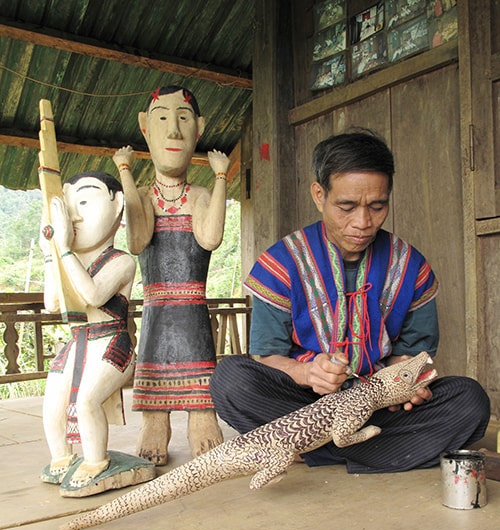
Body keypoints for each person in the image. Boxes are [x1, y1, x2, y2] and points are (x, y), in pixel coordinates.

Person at [210, 130, 490, 473]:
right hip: (305, 409)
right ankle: (378, 452)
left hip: (379, 410)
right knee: (230, 379)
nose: (362, 222)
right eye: (346, 206)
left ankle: (312, 452)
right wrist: (308, 373)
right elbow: (268, 357)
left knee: (470, 401)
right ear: (319, 194)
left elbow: (412, 357)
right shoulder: (282, 263)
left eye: (377, 206)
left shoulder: (410, 267)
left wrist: (408, 385)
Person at [113, 85, 230, 465]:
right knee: (154, 357)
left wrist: (221, 179)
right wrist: (126, 174)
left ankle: (202, 420)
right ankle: (155, 424)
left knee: (198, 359)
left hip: (192, 303)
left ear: (198, 128)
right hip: (157, 306)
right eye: (163, 118)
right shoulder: (145, 197)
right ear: (145, 127)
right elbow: (137, 239)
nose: (174, 132)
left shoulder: (197, 195)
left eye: (183, 119)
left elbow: (210, 238)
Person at [39, 171, 141, 492]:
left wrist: (65, 250)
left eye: (84, 200)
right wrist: (49, 254)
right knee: (53, 398)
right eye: (69, 207)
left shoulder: (122, 261)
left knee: (86, 401)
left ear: (117, 204)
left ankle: (96, 460)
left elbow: (94, 296)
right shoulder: (71, 260)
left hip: (113, 343)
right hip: (79, 341)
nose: (75, 215)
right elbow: (53, 302)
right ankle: (62, 457)